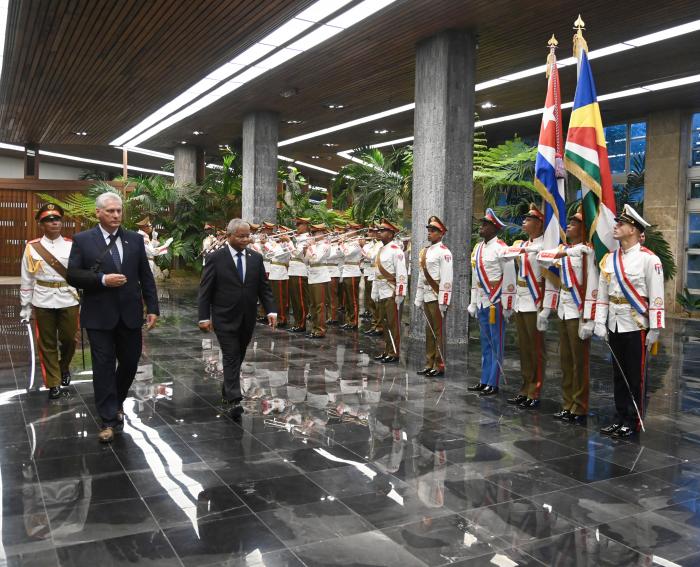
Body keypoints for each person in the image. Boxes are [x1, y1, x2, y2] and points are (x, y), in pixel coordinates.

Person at [67, 192, 159, 443]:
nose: (116, 215)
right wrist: (102, 280)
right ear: (98, 212)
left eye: (119, 210)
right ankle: (108, 418)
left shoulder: (134, 240)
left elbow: (145, 276)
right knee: (104, 366)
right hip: (99, 314)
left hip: (129, 314)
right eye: (110, 211)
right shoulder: (83, 240)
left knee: (130, 362)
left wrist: (152, 307)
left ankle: (116, 399)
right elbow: (73, 275)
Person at [594, 204, 664, 438]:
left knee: (635, 376)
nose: (617, 226)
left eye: (621, 224)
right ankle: (619, 416)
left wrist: (655, 327)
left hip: (636, 325)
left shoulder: (649, 260)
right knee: (618, 374)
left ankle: (633, 420)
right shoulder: (609, 260)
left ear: (634, 230)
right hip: (614, 322)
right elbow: (603, 294)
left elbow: (656, 296)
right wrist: (599, 321)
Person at [198, 219, 277, 414]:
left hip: (247, 316)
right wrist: (203, 316)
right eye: (241, 236)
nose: (245, 240)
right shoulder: (215, 257)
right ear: (229, 235)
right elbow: (205, 290)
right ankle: (233, 395)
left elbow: (263, 288)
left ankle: (227, 387)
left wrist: (271, 310)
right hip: (224, 316)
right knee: (231, 353)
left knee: (240, 352)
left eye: (247, 236)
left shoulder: (256, 258)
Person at [536, 206, 598, 423]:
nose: (567, 226)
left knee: (579, 362)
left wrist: (589, 318)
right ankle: (567, 403)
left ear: (583, 228)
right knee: (565, 360)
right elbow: (542, 258)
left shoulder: (588, 251)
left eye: (573, 224)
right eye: (568, 223)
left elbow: (592, 284)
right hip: (564, 311)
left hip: (577, 312)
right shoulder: (566, 249)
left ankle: (579, 406)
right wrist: (565, 251)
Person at [19, 204, 80, 399]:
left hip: (68, 297)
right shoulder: (32, 247)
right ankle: (53, 383)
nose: (54, 222)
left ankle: (63, 368)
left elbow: (80, 273)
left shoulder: (72, 245)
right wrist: (25, 306)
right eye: (48, 220)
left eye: (57, 219)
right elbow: (27, 277)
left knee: (70, 339)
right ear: (41, 224)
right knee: (47, 343)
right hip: (42, 298)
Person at [467, 209, 516, 395]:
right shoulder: (478, 248)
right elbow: (475, 278)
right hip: (481, 301)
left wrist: (508, 305)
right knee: (485, 343)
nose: (482, 227)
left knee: (496, 343)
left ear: (494, 228)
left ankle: (493, 383)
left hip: (495, 302)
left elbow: (510, 278)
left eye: (485, 224)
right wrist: (473, 302)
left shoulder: (502, 248)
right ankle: (484, 379)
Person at [502, 203, 546, 408]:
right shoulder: (521, 244)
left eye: (528, 219)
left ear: (538, 223)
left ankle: (535, 389)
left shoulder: (545, 245)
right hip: (521, 299)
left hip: (534, 299)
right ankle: (525, 386)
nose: (523, 222)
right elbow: (506, 256)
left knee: (535, 348)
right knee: (524, 348)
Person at [414, 216, 453, 377]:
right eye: (429, 231)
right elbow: (421, 276)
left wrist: (444, 300)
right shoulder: (425, 251)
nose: (429, 233)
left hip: (437, 296)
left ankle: (439, 364)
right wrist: (418, 296)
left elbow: (447, 278)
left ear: (441, 233)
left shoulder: (445, 252)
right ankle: (429, 362)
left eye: (433, 231)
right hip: (427, 294)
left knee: (438, 331)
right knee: (429, 331)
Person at [372, 219, 407, 363]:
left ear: (391, 234)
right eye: (379, 230)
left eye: (383, 231)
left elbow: (401, 274)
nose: (379, 233)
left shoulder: (396, 251)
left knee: (393, 323)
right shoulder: (380, 249)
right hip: (381, 290)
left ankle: (394, 352)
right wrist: (374, 290)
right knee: (385, 323)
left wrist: (400, 293)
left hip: (391, 291)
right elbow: (376, 272)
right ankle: (387, 350)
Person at [304, 224, 331, 338]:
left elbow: (317, 259)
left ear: (321, 234)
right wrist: (306, 250)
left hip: (321, 276)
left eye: (315, 233)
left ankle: (320, 329)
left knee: (320, 305)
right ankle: (314, 328)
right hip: (312, 276)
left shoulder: (325, 245)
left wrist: (312, 247)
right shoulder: (313, 246)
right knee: (313, 304)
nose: (313, 236)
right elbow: (307, 261)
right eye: (312, 233)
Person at [263, 225, 291, 327]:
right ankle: (277, 317)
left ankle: (282, 318)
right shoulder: (277, 244)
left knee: (280, 299)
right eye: (279, 232)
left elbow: (278, 255)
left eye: (282, 232)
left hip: (280, 272)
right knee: (274, 298)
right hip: (274, 272)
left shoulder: (286, 245)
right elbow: (268, 254)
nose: (280, 234)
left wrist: (269, 244)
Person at [286, 217, 311, 333]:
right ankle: (297, 322)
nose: (297, 227)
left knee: (300, 299)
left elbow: (297, 253)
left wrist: (289, 241)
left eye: (299, 225)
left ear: (306, 225)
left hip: (300, 270)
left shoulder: (307, 239)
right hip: (292, 270)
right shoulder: (297, 238)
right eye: (296, 225)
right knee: (294, 300)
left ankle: (301, 324)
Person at [340, 223, 364, 330]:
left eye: (349, 230)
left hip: (353, 272)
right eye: (347, 230)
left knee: (353, 299)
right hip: (346, 271)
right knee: (348, 299)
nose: (347, 232)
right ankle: (349, 319)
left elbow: (347, 253)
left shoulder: (356, 243)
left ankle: (354, 321)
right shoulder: (349, 243)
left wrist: (341, 243)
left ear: (355, 231)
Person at [361, 226, 383, 336]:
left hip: (380, 274)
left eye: (379, 231)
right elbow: (367, 256)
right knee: (372, 300)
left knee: (378, 302)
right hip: (373, 272)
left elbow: (370, 256)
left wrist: (365, 252)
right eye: (377, 231)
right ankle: (375, 325)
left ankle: (379, 326)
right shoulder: (375, 244)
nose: (378, 233)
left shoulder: (381, 244)